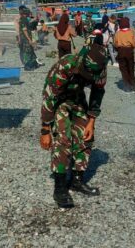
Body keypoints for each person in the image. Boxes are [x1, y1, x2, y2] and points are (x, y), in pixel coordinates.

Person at [40, 43, 108, 209]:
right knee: (63, 138)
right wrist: (45, 130)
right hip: (59, 100)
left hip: (77, 98)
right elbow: (50, 98)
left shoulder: (100, 68)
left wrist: (91, 121)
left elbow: (97, 94)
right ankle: (60, 187)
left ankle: (77, 181)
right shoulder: (66, 65)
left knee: (85, 135)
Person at [114, 17, 135, 92]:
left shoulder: (118, 33)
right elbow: (134, 44)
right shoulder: (131, 32)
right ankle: (133, 86)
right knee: (131, 68)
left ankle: (127, 86)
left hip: (121, 51)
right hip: (129, 51)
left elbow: (115, 44)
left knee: (123, 69)